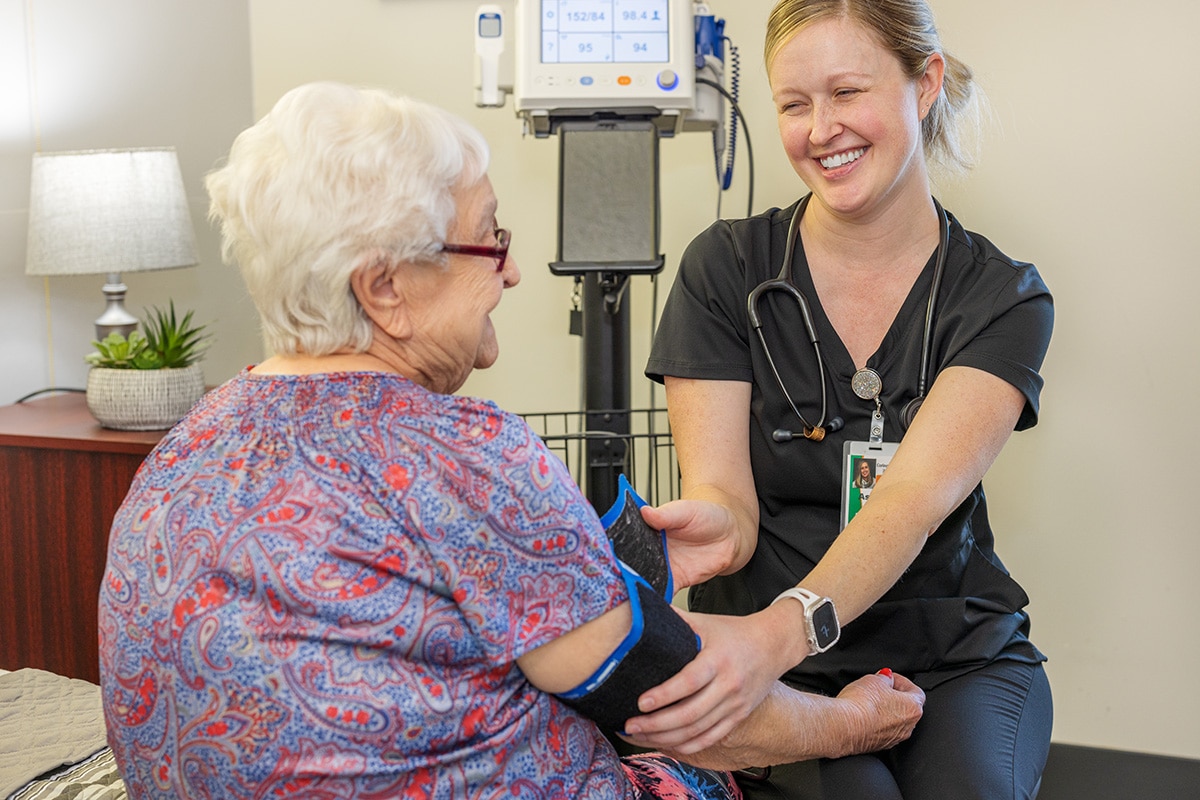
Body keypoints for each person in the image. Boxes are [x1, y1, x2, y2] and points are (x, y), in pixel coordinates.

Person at [97, 81, 924, 800]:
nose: (514, 271)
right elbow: (683, 707)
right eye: (490, 239)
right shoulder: (459, 454)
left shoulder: (187, 443)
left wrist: (619, 569)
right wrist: (852, 721)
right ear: (385, 289)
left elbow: (391, 597)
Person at [631, 1, 1055, 798]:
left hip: (947, 655)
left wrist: (775, 634)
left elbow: (907, 503)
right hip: (773, 662)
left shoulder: (1001, 298)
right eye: (794, 104)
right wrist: (719, 528)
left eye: (847, 92)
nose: (821, 130)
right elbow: (723, 492)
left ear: (924, 83)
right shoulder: (726, 270)